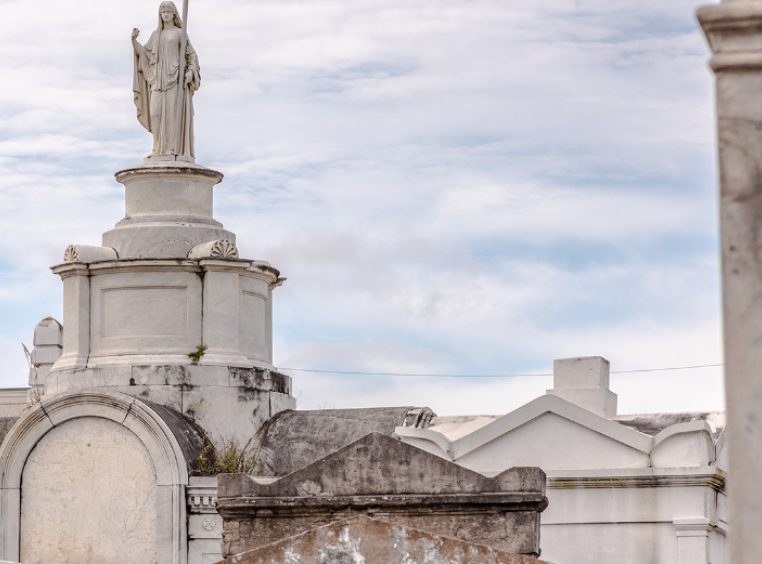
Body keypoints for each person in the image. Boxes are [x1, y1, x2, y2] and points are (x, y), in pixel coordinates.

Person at [132, 1, 200, 160]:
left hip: (174, 81)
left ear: (174, 14)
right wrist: (134, 41)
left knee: (170, 115)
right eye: (163, 11)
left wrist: (191, 71)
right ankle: (157, 149)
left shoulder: (180, 33)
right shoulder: (156, 35)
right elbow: (144, 54)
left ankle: (170, 149)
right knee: (155, 114)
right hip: (157, 81)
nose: (165, 14)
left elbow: (192, 56)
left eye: (168, 11)